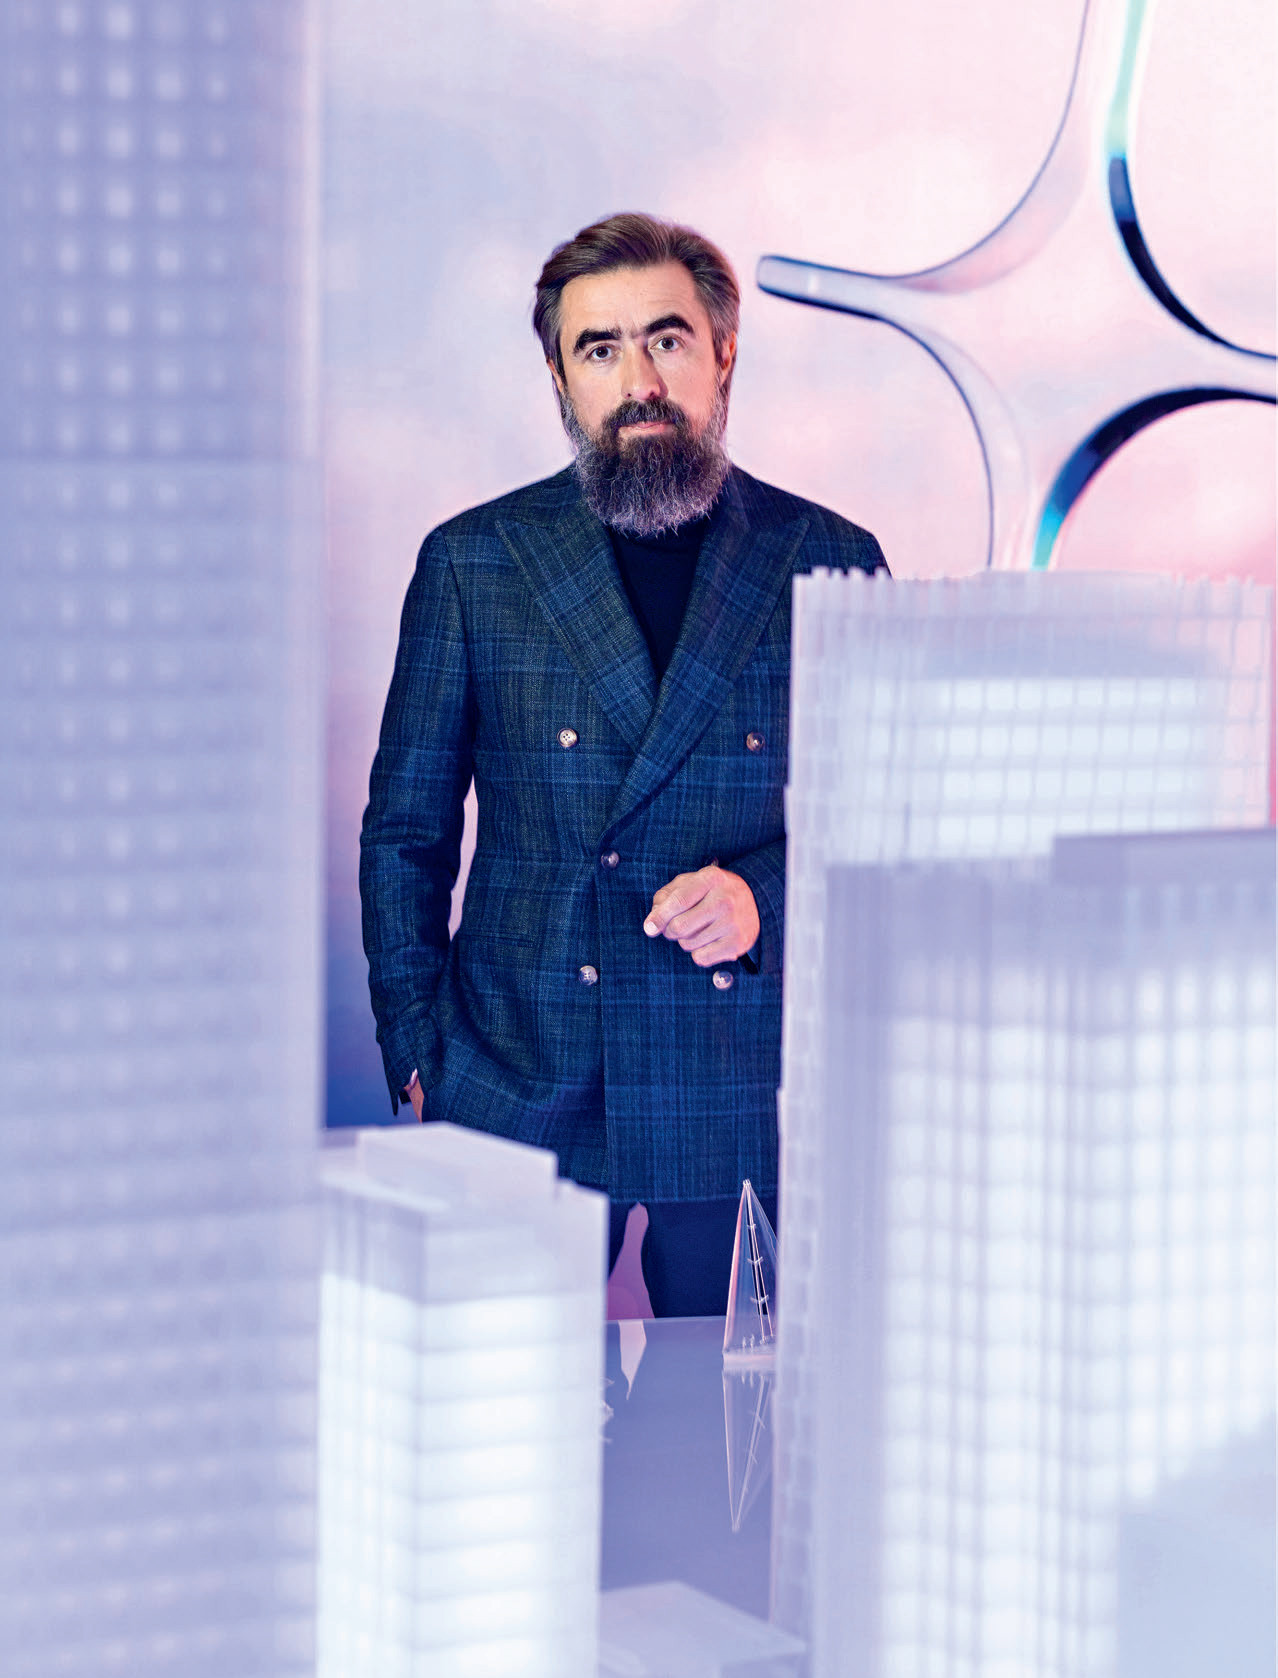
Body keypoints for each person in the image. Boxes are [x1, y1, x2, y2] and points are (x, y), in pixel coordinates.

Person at [360, 212, 886, 1315]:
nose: (638, 380)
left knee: (743, 1417)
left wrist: (764, 899)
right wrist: (415, 1049)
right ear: (559, 376)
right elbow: (407, 833)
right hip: (515, 1080)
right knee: (501, 1407)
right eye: (600, 349)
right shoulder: (472, 562)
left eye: (667, 339)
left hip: (742, 1087)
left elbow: (888, 822)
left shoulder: (832, 558)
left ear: (723, 352)